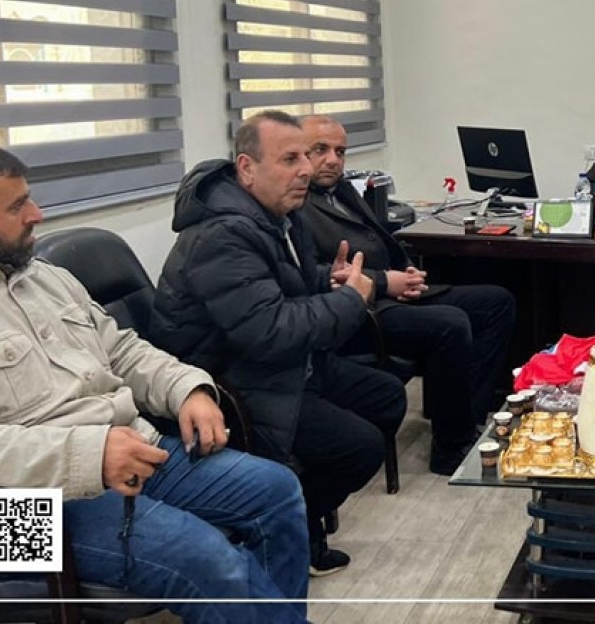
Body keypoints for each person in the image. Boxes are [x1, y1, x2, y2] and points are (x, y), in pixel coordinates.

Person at [0, 144, 309, 623]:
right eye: (17, 206)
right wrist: (87, 455)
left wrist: (188, 388)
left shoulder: (43, 277)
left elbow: (122, 350)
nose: (36, 214)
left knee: (276, 490)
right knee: (204, 557)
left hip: (126, 449)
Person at [148, 111, 406, 577]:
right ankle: (282, 529)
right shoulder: (222, 236)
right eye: (291, 159)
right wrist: (350, 300)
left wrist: (325, 280)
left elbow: (278, 288)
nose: (306, 169)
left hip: (275, 367)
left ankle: (296, 520)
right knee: (360, 448)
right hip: (236, 384)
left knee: (387, 396)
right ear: (247, 168)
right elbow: (270, 332)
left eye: (306, 156)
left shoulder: (278, 216)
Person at [298, 114, 516, 428]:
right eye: (320, 150)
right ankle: (452, 443)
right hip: (360, 310)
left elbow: (378, 239)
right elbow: (315, 272)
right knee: (450, 323)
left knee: (496, 302)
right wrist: (385, 281)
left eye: (340, 152)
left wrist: (406, 271)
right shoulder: (296, 202)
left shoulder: (342, 189)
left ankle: (469, 418)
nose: (333, 160)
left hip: (393, 291)